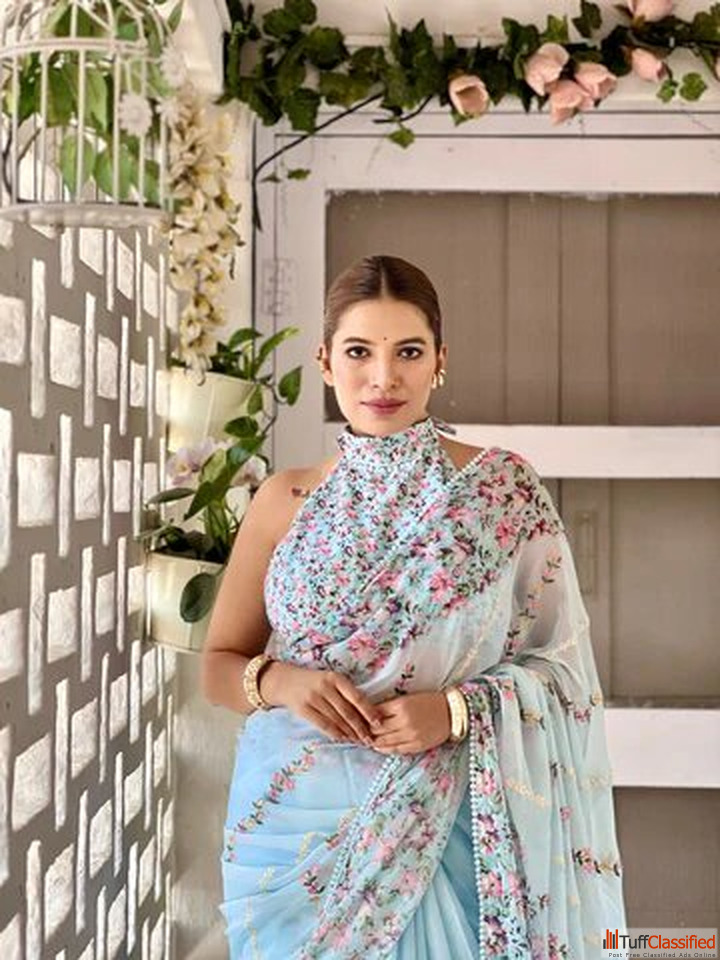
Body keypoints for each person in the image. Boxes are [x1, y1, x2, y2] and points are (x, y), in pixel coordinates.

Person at [201, 255, 627, 959]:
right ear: (325, 362)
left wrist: (455, 712)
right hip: (290, 830)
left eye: (407, 352)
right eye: (359, 352)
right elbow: (219, 666)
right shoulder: (284, 500)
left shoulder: (500, 492)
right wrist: (283, 681)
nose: (383, 378)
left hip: (452, 817)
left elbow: (562, 672)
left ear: (440, 361)